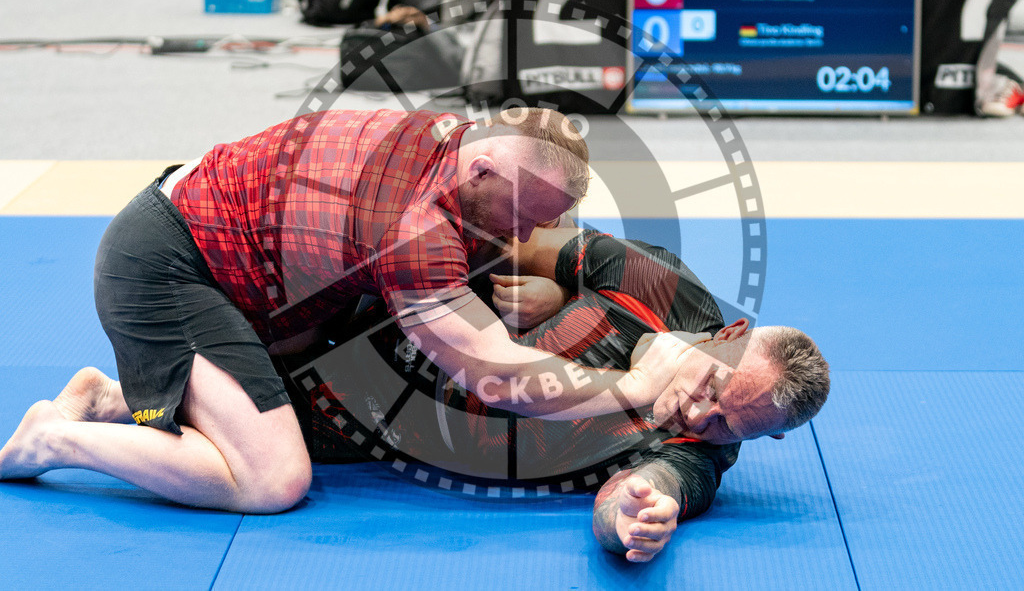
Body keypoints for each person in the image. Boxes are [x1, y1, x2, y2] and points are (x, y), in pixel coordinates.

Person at [0, 108, 696, 513]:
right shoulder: (415, 228)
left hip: (236, 267)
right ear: (481, 172)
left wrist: (557, 287)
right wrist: (630, 389)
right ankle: (56, 440)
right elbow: (502, 379)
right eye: (520, 217)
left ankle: (111, 400)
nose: (520, 237)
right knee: (274, 480)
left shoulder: (452, 141)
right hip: (164, 267)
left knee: (329, 366)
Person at [303, 227, 830, 563]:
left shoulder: (695, 460)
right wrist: (547, 285)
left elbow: (639, 492)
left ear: (770, 435)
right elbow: (512, 242)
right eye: (712, 385)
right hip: (402, 302)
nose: (696, 413)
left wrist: (631, 521)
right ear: (730, 334)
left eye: (726, 425)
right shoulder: (660, 284)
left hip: (376, 416)